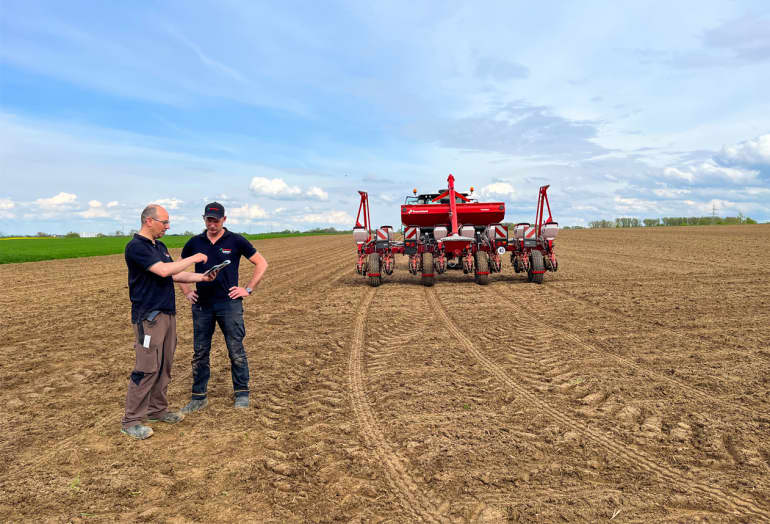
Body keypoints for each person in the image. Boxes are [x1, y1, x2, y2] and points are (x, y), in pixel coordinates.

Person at [122, 204, 219, 440]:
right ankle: (131, 420)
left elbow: (174, 274)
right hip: (148, 318)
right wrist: (194, 258)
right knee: (146, 367)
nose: (167, 227)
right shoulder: (136, 247)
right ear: (148, 221)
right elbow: (164, 271)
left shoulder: (159, 246)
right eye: (164, 222)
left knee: (164, 364)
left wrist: (201, 277)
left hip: (167, 314)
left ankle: (157, 410)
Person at [178, 202, 268, 412]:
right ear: (204, 219)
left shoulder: (236, 241)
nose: (212, 224)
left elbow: (262, 263)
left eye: (216, 220)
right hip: (202, 305)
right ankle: (198, 396)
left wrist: (248, 289)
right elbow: (178, 268)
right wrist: (187, 291)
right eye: (209, 220)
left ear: (224, 220)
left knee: (236, 349)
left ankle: (242, 393)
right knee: (200, 352)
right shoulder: (194, 242)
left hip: (229, 305)